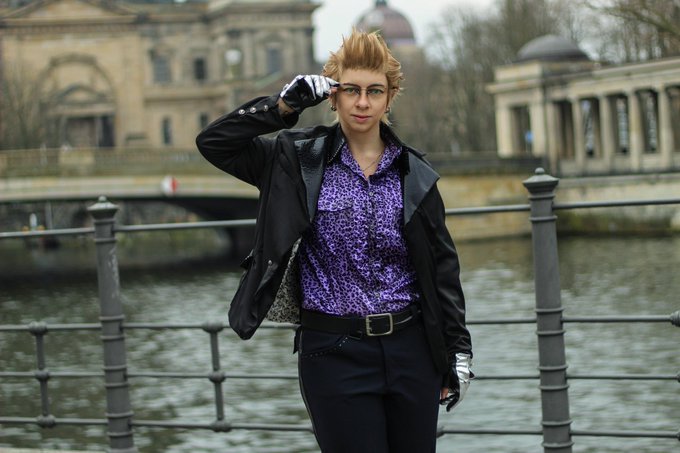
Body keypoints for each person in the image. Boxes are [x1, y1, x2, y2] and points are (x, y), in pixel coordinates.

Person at [196, 29, 472, 453]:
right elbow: (215, 143)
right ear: (333, 96)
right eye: (352, 90)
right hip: (334, 353)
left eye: (374, 91)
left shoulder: (414, 173)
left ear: (389, 98)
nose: (362, 102)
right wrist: (283, 106)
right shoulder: (295, 160)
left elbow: (442, 270)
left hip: (412, 350)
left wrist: (458, 351)